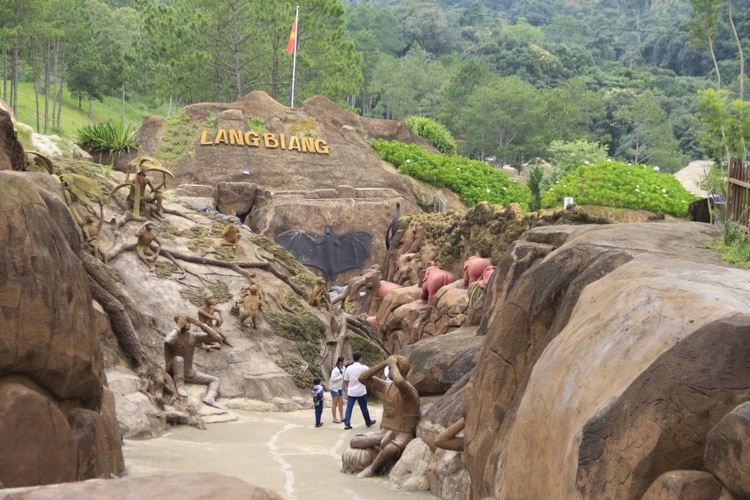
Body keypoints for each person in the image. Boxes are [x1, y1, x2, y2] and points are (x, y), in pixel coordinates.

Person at [354, 354, 420, 478]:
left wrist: (392, 364)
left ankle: (372, 469)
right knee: (355, 441)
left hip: (402, 434)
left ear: (398, 370)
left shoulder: (408, 390)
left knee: (390, 449)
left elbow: (400, 381)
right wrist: (384, 363)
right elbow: (362, 378)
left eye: (391, 368)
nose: (389, 370)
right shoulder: (387, 386)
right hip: (385, 431)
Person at [164, 312, 225, 408]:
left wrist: (201, 325)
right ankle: (180, 385)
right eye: (185, 321)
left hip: (189, 373)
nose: (188, 324)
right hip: (172, 372)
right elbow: (167, 341)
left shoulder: (193, 336)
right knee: (179, 359)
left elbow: (218, 338)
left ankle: (209, 398)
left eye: (189, 321)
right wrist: (178, 327)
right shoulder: (174, 335)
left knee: (215, 380)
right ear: (179, 322)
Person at [342, 352, 377, 430]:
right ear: (360, 358)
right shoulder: (364, 368)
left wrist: (349, 386)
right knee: (364, 408)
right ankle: (368, 422)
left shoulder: (349, 368)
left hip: (351, 391)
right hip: (361, 391)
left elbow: (346, 380)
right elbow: (370, 375)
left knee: (349, 408)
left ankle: (347, 424)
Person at [329, 356, 346, 423]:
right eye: (344, 361)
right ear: (340, 362)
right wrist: (342, 376)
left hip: (339, 387)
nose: (345, 362)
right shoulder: (335, 370)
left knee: (341, 402)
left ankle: (342, 417)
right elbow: (333, 379)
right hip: (334, 387)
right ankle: (334, 418)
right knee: (335, 403)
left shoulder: (344, 368)